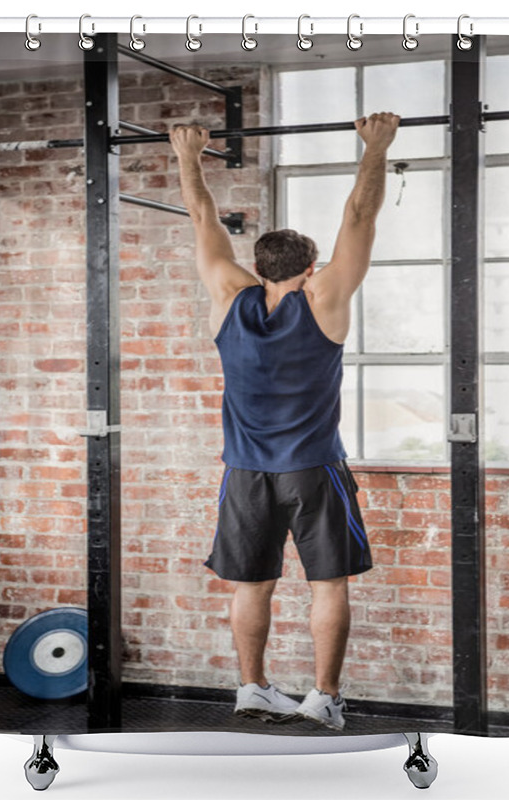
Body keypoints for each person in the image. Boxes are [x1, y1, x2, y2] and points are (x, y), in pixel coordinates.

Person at [170, 112, 400, 731]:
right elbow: (359, 215)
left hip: (245, 474)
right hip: (314, 469)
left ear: (258, 264)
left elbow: (202, 218)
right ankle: (323, 696)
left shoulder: (228, 294)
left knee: (253, 585)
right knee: (328, 585)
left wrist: (189, 156)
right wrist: (376, 146)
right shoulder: (323, 300)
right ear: (310, 267)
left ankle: (252, 688)